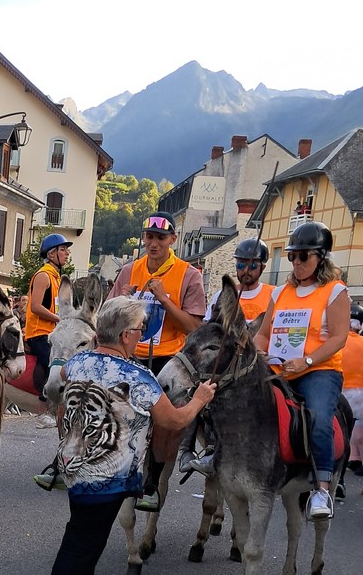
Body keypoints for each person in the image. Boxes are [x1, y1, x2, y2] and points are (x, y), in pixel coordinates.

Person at [50, 296, 216, 575]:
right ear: (126, 335)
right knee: (81, 547)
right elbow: (174, 421)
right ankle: (150, 484)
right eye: (139, 329)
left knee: (82, 539)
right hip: (108, 478)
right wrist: (199, 399)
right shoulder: (140, 378)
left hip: (75, 469)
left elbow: (65, 378)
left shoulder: (76, 363)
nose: (141, 335)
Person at [107, 211, 205, 510]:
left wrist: (164, 299)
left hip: (169, 359)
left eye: (160, 238)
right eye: (149, 237)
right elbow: (106, 317)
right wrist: (120, 300)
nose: (153, 243)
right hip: (131, 355)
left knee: (167, 422)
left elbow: (194, 327)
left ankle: (154, 482)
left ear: (172, 239)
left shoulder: (189, 274)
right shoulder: (128, 271)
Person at [253, 221, 349, 521]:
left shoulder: (335, 291)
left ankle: (321, 489)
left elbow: (338, 337)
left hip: (318, 371)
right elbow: (264, 334)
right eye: (292, 256)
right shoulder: (280, 292)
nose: (295, 262)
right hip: (278, 368)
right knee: (236, 399)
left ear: (320, 257)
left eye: (302, 257)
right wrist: (258, 351)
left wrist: (306, 362)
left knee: (320, 417)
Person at [24, 233, 73, 429]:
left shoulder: (57, 278)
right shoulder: (43, 276)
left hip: (52, 332)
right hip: (39, 333)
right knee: (54, 365)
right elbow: (35, 306)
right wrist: (59, 319)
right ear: (52, 254)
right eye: (63, 250)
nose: (67, 253)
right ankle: (45, 409)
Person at [204, 239, 275, 322]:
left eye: (252, 266)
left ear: (262, 268)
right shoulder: (222, 296)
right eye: (241, 265)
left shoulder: (273, 295)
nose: (246, 270)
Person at [342, 303, 363, 479]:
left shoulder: (337, 341)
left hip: (340, 392)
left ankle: (339, 476)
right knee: (358, 432)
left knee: (343, 432)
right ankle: (356, 460)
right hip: (360, 394)